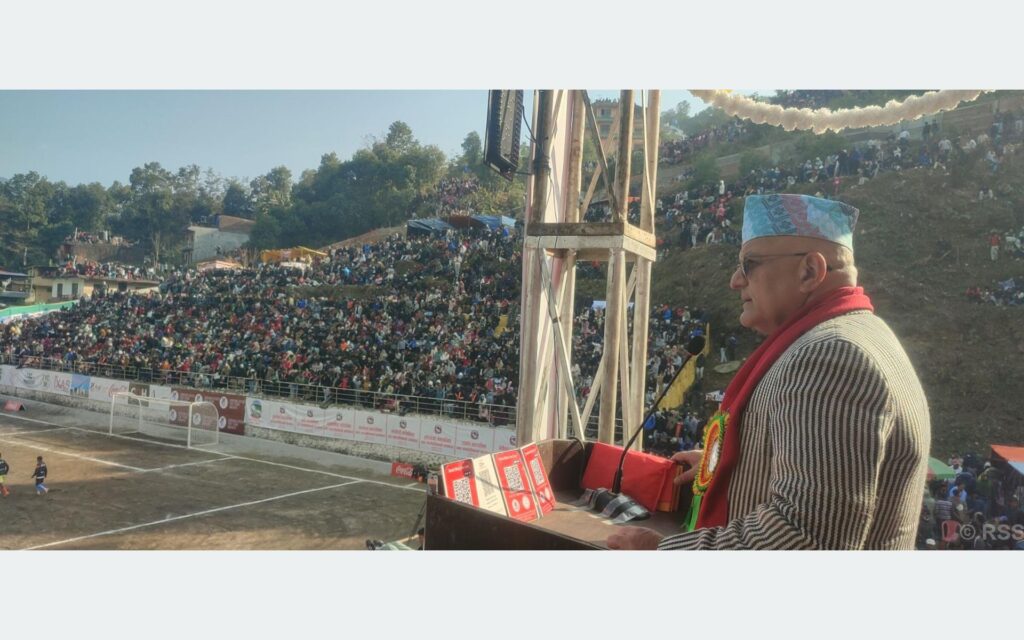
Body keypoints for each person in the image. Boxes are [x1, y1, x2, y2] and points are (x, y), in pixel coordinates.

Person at [608, 194, 930, 550]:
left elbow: (801, 537)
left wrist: (658, 555)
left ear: (810, 271)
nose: (735, 281)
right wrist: (736, 468)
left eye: (749, 265)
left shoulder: (831, 357)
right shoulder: (857, 336)